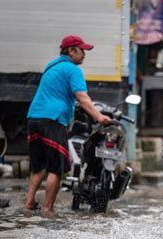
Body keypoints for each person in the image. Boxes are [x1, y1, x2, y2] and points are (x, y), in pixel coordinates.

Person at [24, 34, 111, 218]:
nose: (84, 55)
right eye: (82, 51)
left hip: (34, 118)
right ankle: (48, 209)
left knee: (38, 165)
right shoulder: (72, 69)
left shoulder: (52, 65)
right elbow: (82, 97)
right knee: (57, 167)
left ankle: (29, 203)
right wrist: (99, 117)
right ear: (71, 51)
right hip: (53, 120)